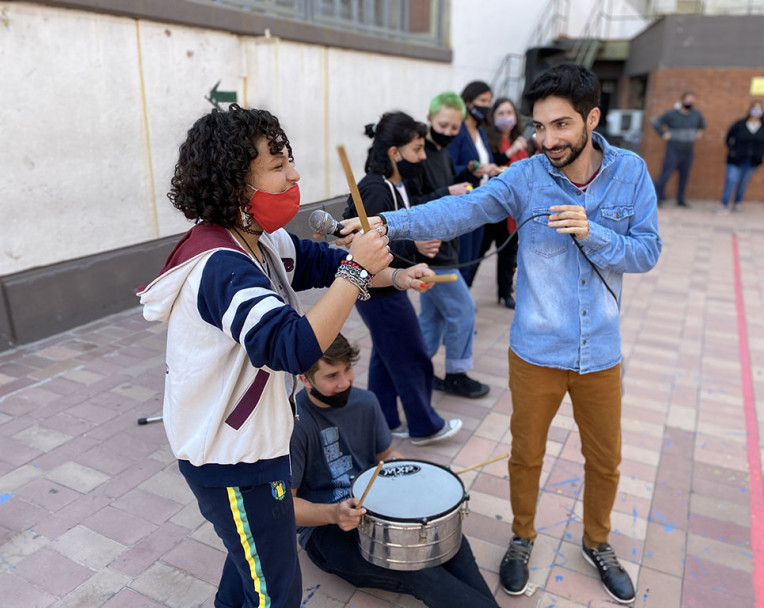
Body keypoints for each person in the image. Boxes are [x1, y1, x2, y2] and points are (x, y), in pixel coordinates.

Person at [336, 64, 662, 605]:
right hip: (535, 350)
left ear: (592, 119)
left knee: (605, 459)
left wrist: (595, 231)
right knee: (525, 454)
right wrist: (390, 225)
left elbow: (647, 250)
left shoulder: (631, 172)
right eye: (540, 127)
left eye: (561, 126)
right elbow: (462, 209)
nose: (548, 139)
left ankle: (597, 542)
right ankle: (522, 536)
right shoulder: (527, 176)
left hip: (601, 351)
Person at [138, 104, 433, 608]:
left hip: (259, 446)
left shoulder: (260, 240)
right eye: (277, 166)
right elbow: (292, 347)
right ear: (234, 185)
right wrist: (359, 274)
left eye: (288, 160)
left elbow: (326, 262)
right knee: (275, 592)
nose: (294, 174)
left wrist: (396, 275)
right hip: (232, 462)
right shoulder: (219, 266)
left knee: (250, 570)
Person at [290, 334, 499, 608]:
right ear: (305, 379)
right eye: (332, 376)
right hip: (326, 530)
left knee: (450, 542)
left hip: (377, 511)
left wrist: (421, 478)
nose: (345, 382)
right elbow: (285, 505)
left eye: (348, 369)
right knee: (422, 573)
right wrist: (333, 513)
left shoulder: (366, 402)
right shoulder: (294, 423)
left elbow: (386, 457)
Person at [342, 111, 462, 445]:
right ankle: (425, 426)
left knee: (387, 354)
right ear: (394, 153)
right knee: (411, 355)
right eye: (417, 149)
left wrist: (418, 245)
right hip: (377, 289)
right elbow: (366, 243)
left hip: (387, 283)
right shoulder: (375, 188)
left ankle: (385, 421)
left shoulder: (396, 184)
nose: (423, 157)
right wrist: (415, 244)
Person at [404, 91, 490, 399]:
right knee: (463, 309)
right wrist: (447, 191)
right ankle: (456, 373)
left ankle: (417, 374)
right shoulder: (418, 153)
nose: (449, 133)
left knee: (433, 318)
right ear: (429, 120)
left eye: (456, 128)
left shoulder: (440, 151)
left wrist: (467, 174)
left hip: (445, 248)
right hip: (430, 252)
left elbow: (443, 184)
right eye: (443, 125)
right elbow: (412, 204)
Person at [446, 81, 502, 286]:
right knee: (462, 257)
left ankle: (463, 302)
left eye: (489, 101)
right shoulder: (458, 130)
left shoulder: (481, 131)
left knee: (473, 257)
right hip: (463, 201)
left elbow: (483, 160)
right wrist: (470, 167)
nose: (486, 105)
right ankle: (458, 303)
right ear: (468, 102)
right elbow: (450, 165)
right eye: (482, 101)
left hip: (481, 200)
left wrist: (491, 168)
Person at [480, 97, 529, 309]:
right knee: (479, 250)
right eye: (500, 113)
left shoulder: (522, 141)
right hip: (494, 205)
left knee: (508, 254)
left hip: (515, 209)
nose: (506, 117)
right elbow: (492, 163)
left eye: (509, 112)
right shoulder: (489, 139)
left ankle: (505, 292)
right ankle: (465, 288)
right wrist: (509, 152)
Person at [651, 91, 706, 207]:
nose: (690, 102)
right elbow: (655, 122)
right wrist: (664, 134)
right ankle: (658, 197)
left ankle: (680, 199)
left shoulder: (696, 114)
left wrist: (698, 134)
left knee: (684, 176)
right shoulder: (672, 114)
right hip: (673, 150)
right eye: (688, 100)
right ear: (682, 101)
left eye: (692, 100)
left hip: (688, 151)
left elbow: (702, 125)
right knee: (665, 174)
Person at [717, 100, 764, 214]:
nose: (756, 111)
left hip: (752, 161)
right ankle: (724, 204)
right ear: (750, 110)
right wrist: (732, 150)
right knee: (731, 180)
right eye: (754, 108)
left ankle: (737, 203)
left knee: (743, 182)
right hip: (736, 159)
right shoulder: (740, 124)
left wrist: (761, 153)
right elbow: (728, 137)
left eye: (759, 109)